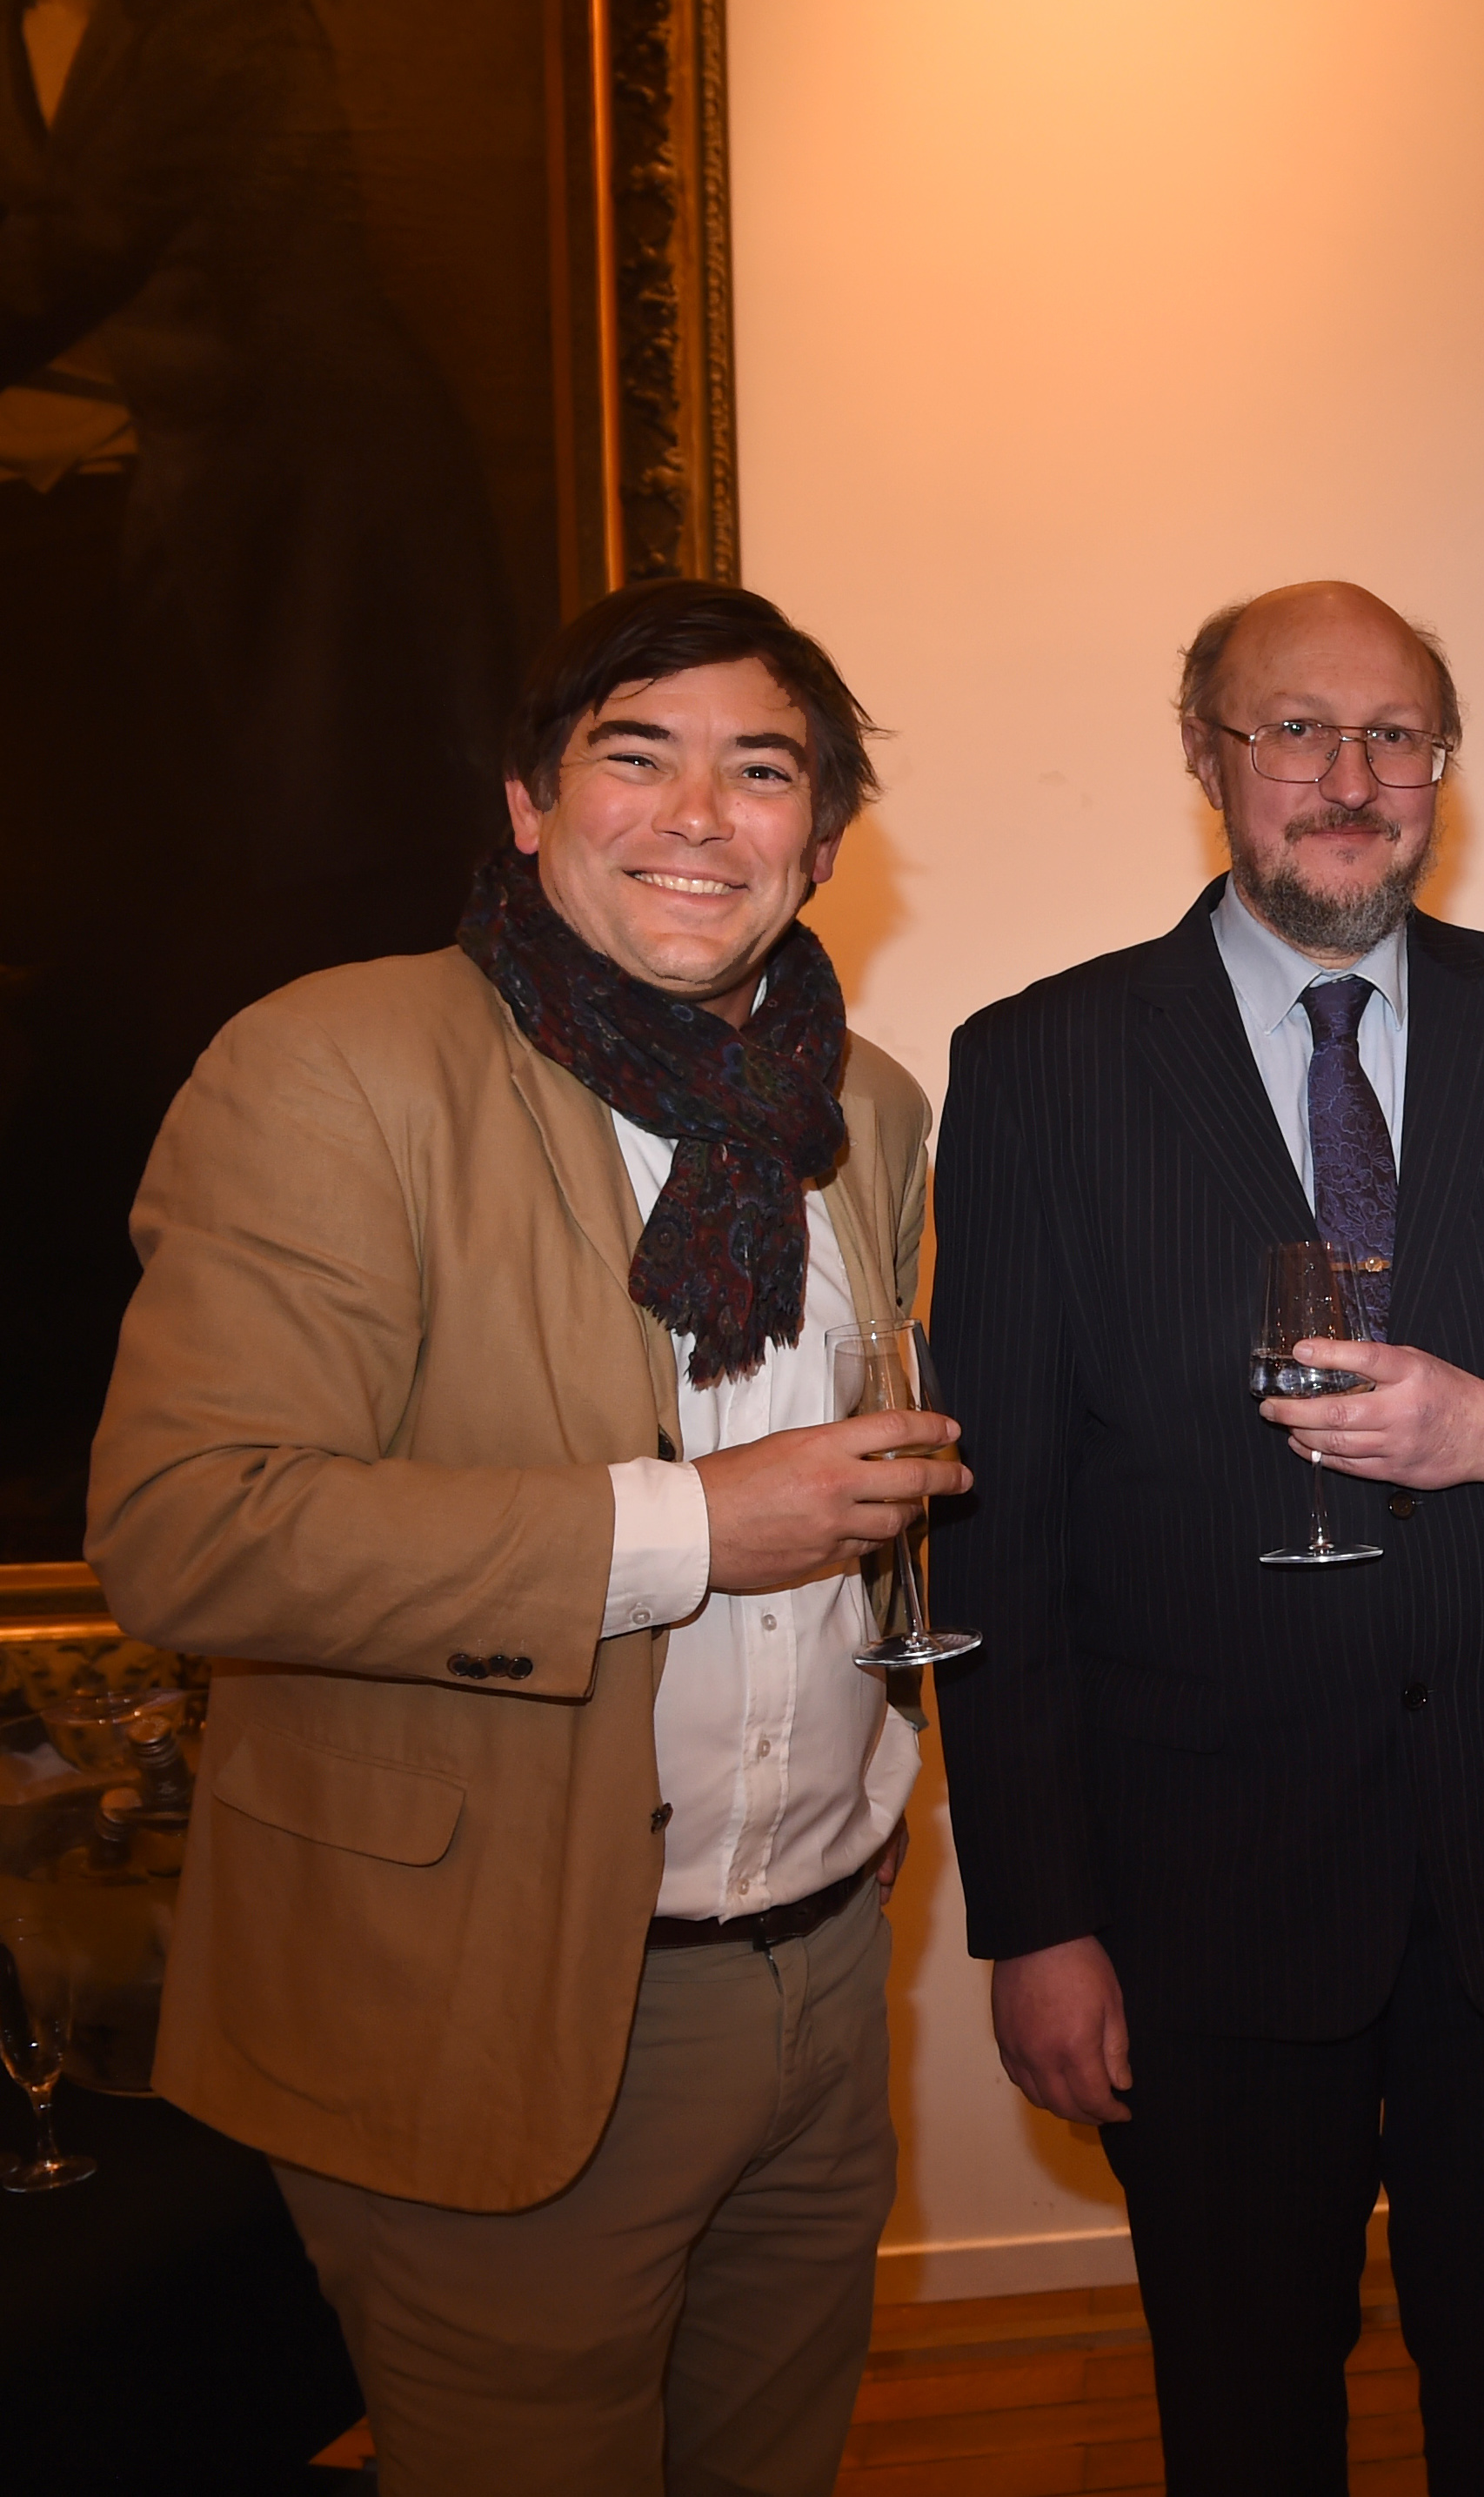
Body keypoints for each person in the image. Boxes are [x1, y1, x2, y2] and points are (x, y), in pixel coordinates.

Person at [86, 579, 950, 2494]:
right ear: (529, 802)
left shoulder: (864, 1108)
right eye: (636, 756)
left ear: (822, 838)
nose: (699, 814)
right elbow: (188, 1527)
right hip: (497, 1998)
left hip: (824, 1974)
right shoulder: (338, 1063)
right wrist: (691, 1526)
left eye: (761, 772)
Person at [932, 580, 1484, 2497]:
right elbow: (999, 1529)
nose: (1349, 776)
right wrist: (1035, 1912)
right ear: (1206, 754)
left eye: (1396, 735)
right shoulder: (1042, 1064)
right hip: (1197, 1902)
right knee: (1243, 2419)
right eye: (1295, 728)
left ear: (1442, 767)